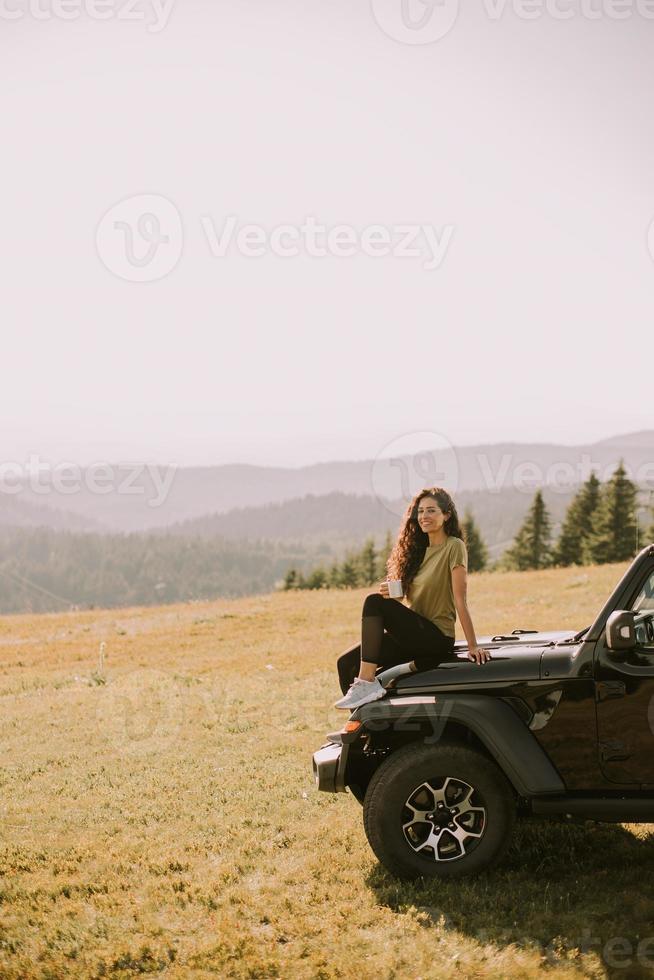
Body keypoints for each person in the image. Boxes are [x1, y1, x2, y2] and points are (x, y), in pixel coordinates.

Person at [334, 486, 490, 711]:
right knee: (345, 663)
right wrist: (394, 597)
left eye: (431, 511)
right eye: (420, 511)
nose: (424, 516)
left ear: (446, 515)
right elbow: (413, 603)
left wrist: (473, 646)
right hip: (415, 634)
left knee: (373, 602)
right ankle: (362, 723)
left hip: (436, 637)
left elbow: (460, 599)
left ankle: (366, 682)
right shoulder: (417, 552)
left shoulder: (454, 547)